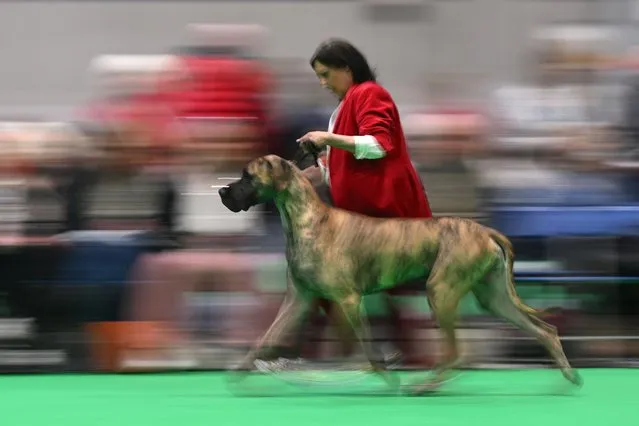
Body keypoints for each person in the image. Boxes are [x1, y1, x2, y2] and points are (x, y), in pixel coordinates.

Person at [257, 38, 432, 373]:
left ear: (346, 68)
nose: (322, 83)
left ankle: (313, 353)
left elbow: (378, 144)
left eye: (326, 74)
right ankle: (399, 355)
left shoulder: (369, 93)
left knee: (324, 281)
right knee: (361, 286)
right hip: (367, 216)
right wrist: (317, 172)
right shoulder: (348, 103)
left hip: (386, 213)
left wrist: (327, 139)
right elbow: (346, 163)